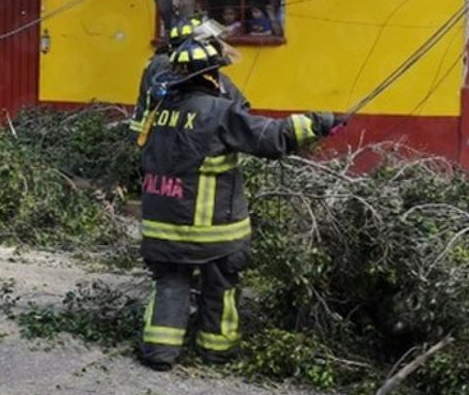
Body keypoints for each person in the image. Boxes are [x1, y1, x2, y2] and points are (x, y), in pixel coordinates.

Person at [136, 35, 345, 371]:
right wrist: (320, 123)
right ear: (210, 76)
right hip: (212, 232)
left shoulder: (159, 114)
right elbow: (270, 137)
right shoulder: (219, 112)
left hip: (161, 228)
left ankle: (159, 353)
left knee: (170, 284)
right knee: (220, 287)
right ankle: (216, 351)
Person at [130, 16, 249, 141]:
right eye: (209, 41)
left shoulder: (163, 62)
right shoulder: (173, 67)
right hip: (177, 140)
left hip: (159, 138)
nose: (216, 45)